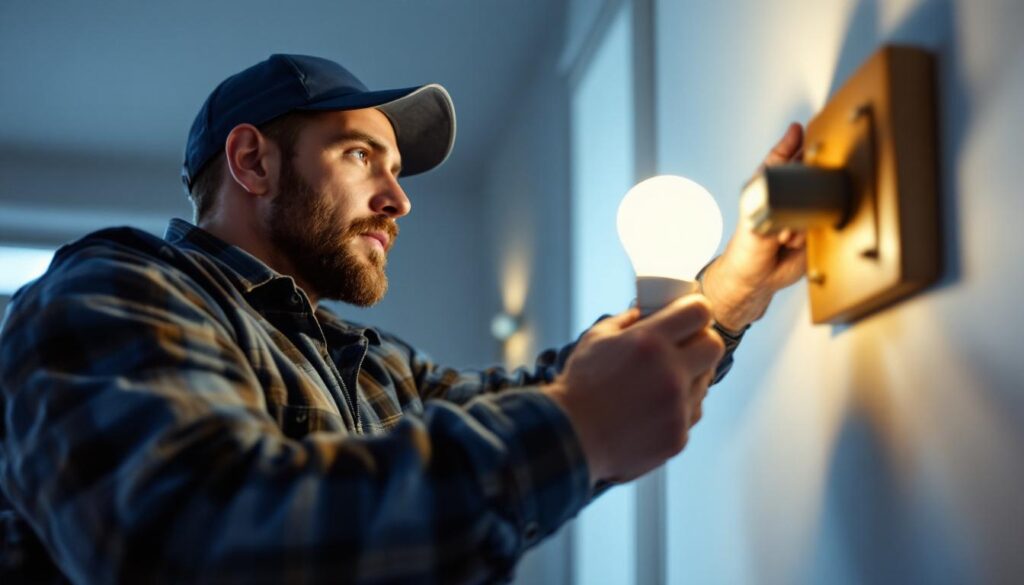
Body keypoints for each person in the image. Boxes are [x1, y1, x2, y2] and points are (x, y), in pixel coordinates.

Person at [0, 54, 806, 584]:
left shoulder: (370, 363)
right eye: (360, 155)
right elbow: (189, 538)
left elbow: (551, 390)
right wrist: (575, 429)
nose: (400, 198)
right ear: (251, 161)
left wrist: (730, 292)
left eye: (397, 168)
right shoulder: (112, 290)